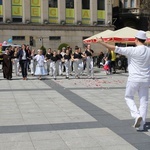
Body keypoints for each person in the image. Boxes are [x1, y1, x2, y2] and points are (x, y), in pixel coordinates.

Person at [96, 30, 150, 131]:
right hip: (146, 79)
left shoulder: (132, 50)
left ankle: (136, 115)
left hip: (134, 78)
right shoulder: (148, 50)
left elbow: (113, 48)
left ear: (136, 39)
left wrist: (100, 42)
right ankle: (141, 125)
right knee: (144, 101)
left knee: (128, 97)